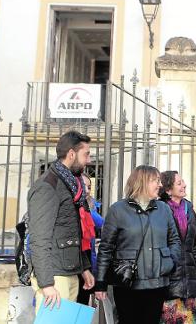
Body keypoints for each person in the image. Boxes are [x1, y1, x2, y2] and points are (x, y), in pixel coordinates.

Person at [95, 165, 181, 323]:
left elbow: (174, 240)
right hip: (127, 283)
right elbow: (106, 248)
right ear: (143, 182)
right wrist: (100, 282)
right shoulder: (117, 210)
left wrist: (170, 262)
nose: (160, 185)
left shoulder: (164, 209)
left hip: (157, 283)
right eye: (156, 181)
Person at [27, 130, 95, 312]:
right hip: (55, 277)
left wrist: (84, 268)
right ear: (71, 154)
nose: (89, 160)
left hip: (70, 272)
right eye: (86, 154)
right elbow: (39, 238)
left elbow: (71, 231)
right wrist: (47, 284)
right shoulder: (47, 186)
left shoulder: (70, 185)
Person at [159, 171, 196, 324]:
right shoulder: (160, 209)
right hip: (169, 276)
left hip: (188, 278)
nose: (184, 185)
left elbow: (194, 245)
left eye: (183, 182)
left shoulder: (189, 209)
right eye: (179, 183)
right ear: (168, 190)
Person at [76, 173, 104, 305]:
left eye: (89, 187)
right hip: (73, 268)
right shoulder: (73, 207)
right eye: (84, 186)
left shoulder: (89, 205)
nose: (87, 190)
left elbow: (100, 223)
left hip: (87, 265)